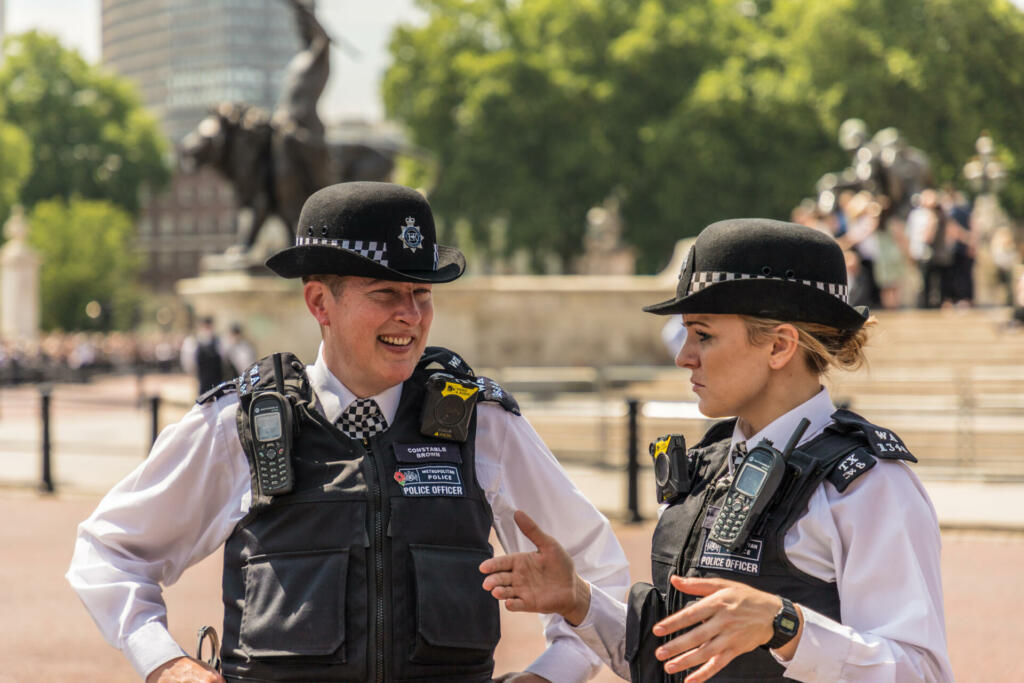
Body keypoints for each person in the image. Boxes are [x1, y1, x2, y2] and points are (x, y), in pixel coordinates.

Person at [67, 182, 630, 683]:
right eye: (385, 293)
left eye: (423, 293)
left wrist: (550, 674)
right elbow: (108, 550)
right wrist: (167, 665)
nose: (411, 314)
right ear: (320, 302)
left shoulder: (482, 425)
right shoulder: (243, 425)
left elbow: (597, 572)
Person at [480, 218, 953, 682]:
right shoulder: (712, 464)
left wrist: (786, 627)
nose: (684, 355)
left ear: (779, 346)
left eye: (703, 335)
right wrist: (579, 600)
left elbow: (922, 672)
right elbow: (668, 660)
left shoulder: (869, 486)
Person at [179, 316, 229, 394]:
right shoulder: (193, 342)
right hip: (202, 381)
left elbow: (225, 360)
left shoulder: (220, 341)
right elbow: (189, 364)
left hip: (218, 381)